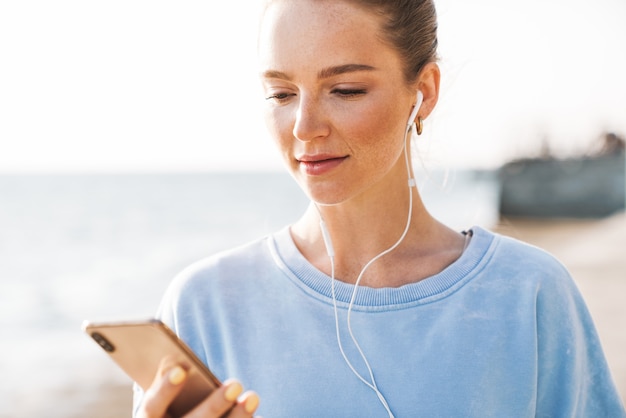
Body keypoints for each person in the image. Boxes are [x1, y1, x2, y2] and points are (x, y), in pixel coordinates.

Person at [134, 0, 626, 417]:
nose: (304, 126)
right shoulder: (204, 307)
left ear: (424, 93)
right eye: (281, 94)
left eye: (345, 90)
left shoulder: (529, 294)